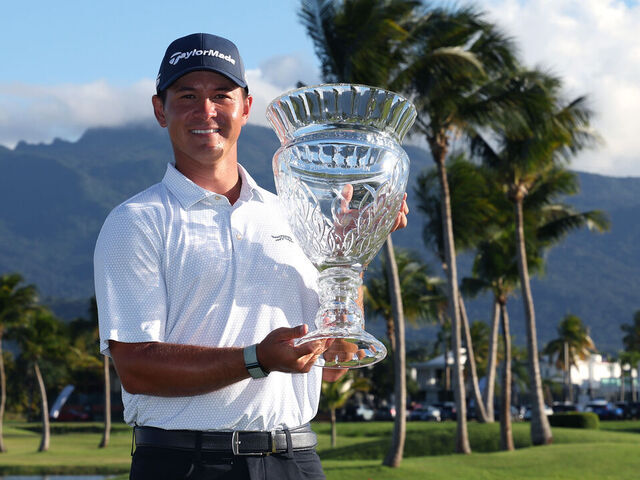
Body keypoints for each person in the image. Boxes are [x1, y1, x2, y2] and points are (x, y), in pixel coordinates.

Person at [94, 33, 409, 480]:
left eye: (221, 95)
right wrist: (256, 358)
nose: (206, 111)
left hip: (295, 459)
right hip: (184, 463)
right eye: (187, 95)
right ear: (160, 110)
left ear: (245, 106)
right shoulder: (137, 221)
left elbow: (334, 361)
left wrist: (349, 253)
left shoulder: (295, 215)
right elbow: (137, 369)